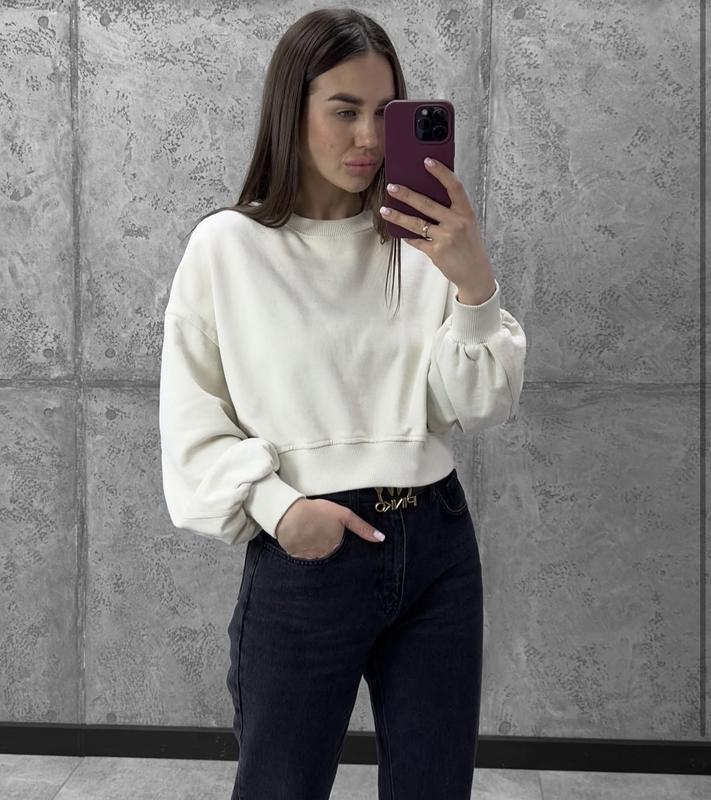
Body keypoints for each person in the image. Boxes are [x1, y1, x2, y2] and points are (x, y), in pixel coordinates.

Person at [158, 7, 526, 800]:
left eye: (383, 113)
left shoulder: (421, 244)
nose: (367, 138)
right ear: (291, 111)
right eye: (344, 110)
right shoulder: (227, 248)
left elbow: (476, 404)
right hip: (309, 555)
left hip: (436, 546)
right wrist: (280, 510)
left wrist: (472, 284)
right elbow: (191, 419)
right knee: (280, 787)